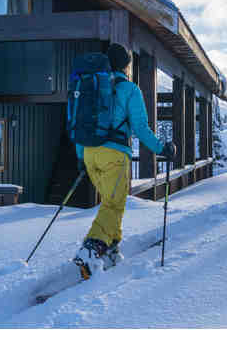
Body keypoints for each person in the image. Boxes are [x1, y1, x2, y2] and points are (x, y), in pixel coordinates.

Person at [74, 43, 176, 275]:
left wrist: (81, 156)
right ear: (125, 66)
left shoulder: (90, 86)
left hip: (89, 153)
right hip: (114, 154)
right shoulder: (129, 89)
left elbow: (81, 123)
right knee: (113, 204)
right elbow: (140, 128)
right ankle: (92, 248)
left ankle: (111, 247)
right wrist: (162, 148)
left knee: (113, 202)